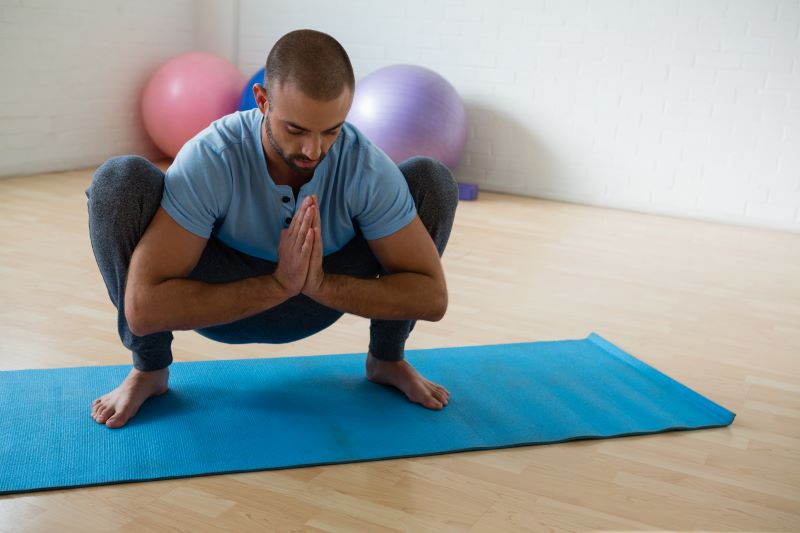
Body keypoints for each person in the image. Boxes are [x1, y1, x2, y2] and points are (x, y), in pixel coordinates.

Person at [86, 29, 458, 429]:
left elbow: (433, 298)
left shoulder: (365, 165)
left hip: (322, 291)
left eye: (330, 130)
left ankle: (387, 359)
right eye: (296, 130)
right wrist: (281, 282)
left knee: (430, 179)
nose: (313, 150)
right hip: (220, 298)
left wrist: (317, 284)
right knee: (119, 180)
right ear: (262, 100)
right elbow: (142, 310)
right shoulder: (212, 156)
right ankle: (149, 368)